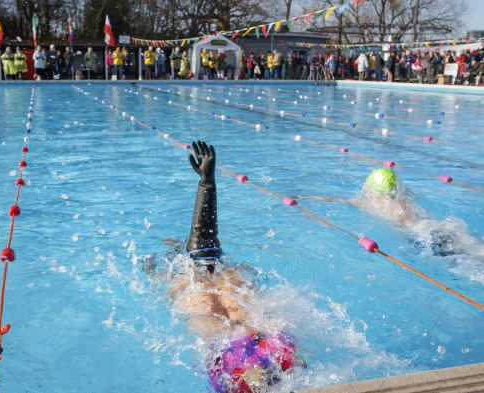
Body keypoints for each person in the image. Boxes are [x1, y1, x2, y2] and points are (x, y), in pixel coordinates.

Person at [155, 141, 307, 393]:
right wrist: (207, 183)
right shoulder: (233, 276)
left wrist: (206, 183)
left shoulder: (184, 279)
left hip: (228, 358)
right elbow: (203, 242)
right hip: (268, 343)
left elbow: (201, 244)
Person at [294, 168, 465, 257]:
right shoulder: (405, 200)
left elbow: (336, 200)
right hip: (437, 229)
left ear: (373, 191)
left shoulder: (371, 204)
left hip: (422, 239)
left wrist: (304, 196)